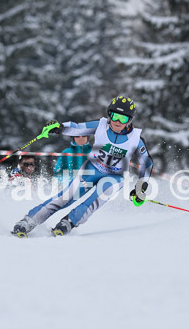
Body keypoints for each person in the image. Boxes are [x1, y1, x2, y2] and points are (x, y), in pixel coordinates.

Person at [12, 95, 153, 237]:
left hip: (115, 177)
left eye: (123, 118)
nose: (117, 121)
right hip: (92, 169)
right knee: (65, 197)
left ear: (129, 120)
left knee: (93, 201)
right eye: (115, 115)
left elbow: (146, 163)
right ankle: (29, 221)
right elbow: (77, 128)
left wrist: (141, 187)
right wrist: (60, 128)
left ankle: (69, 222)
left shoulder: (136, 138)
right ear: (109, 114)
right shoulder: (101, 125)